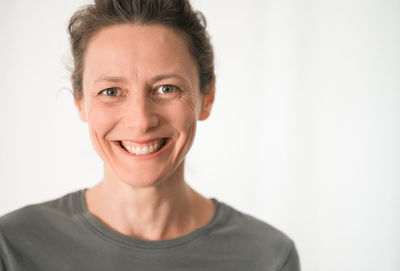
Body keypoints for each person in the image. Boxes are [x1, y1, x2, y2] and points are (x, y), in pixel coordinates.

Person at [0, 0, 300, 270]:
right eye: (111, 91)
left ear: (206, 96)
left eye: (166, 88)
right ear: (80, 102)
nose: (141, 121)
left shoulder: (268, 257)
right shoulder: (11, 246)